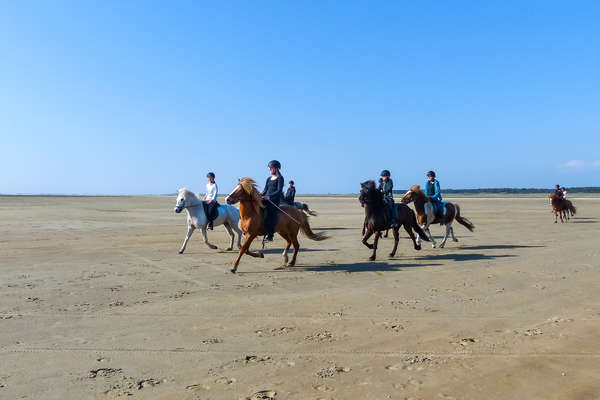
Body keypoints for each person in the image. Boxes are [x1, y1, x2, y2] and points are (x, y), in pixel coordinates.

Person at [261, 160, 284, 242]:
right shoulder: (268, 179)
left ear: (276, 168)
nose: (269, 170)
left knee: (268, 214)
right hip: (266, 198)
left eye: (271, 168)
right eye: (269, 168)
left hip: (274, 201)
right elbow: (265, 189)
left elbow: (279, 191)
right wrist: (260, 195)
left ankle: (270, 235)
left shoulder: (280, 178)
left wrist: (269, 196)